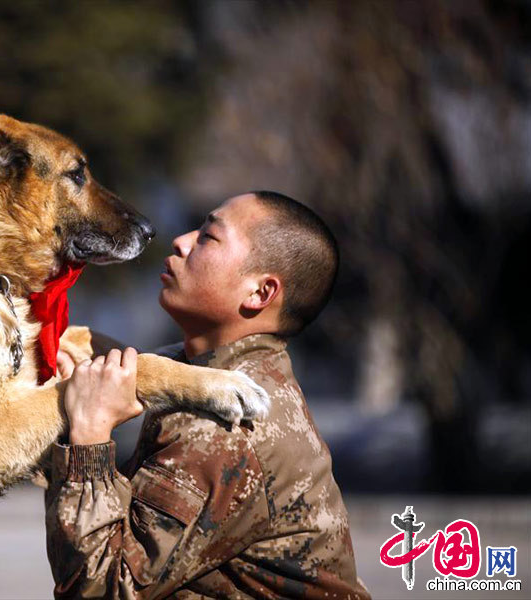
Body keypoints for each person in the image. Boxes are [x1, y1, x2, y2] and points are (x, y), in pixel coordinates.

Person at [46, 191, 371, 599]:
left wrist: (87, 438)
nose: (180, 241)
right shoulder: (216, 375)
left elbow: (103, 589)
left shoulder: (223, 422)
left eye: (208, 237)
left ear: (259, 294)